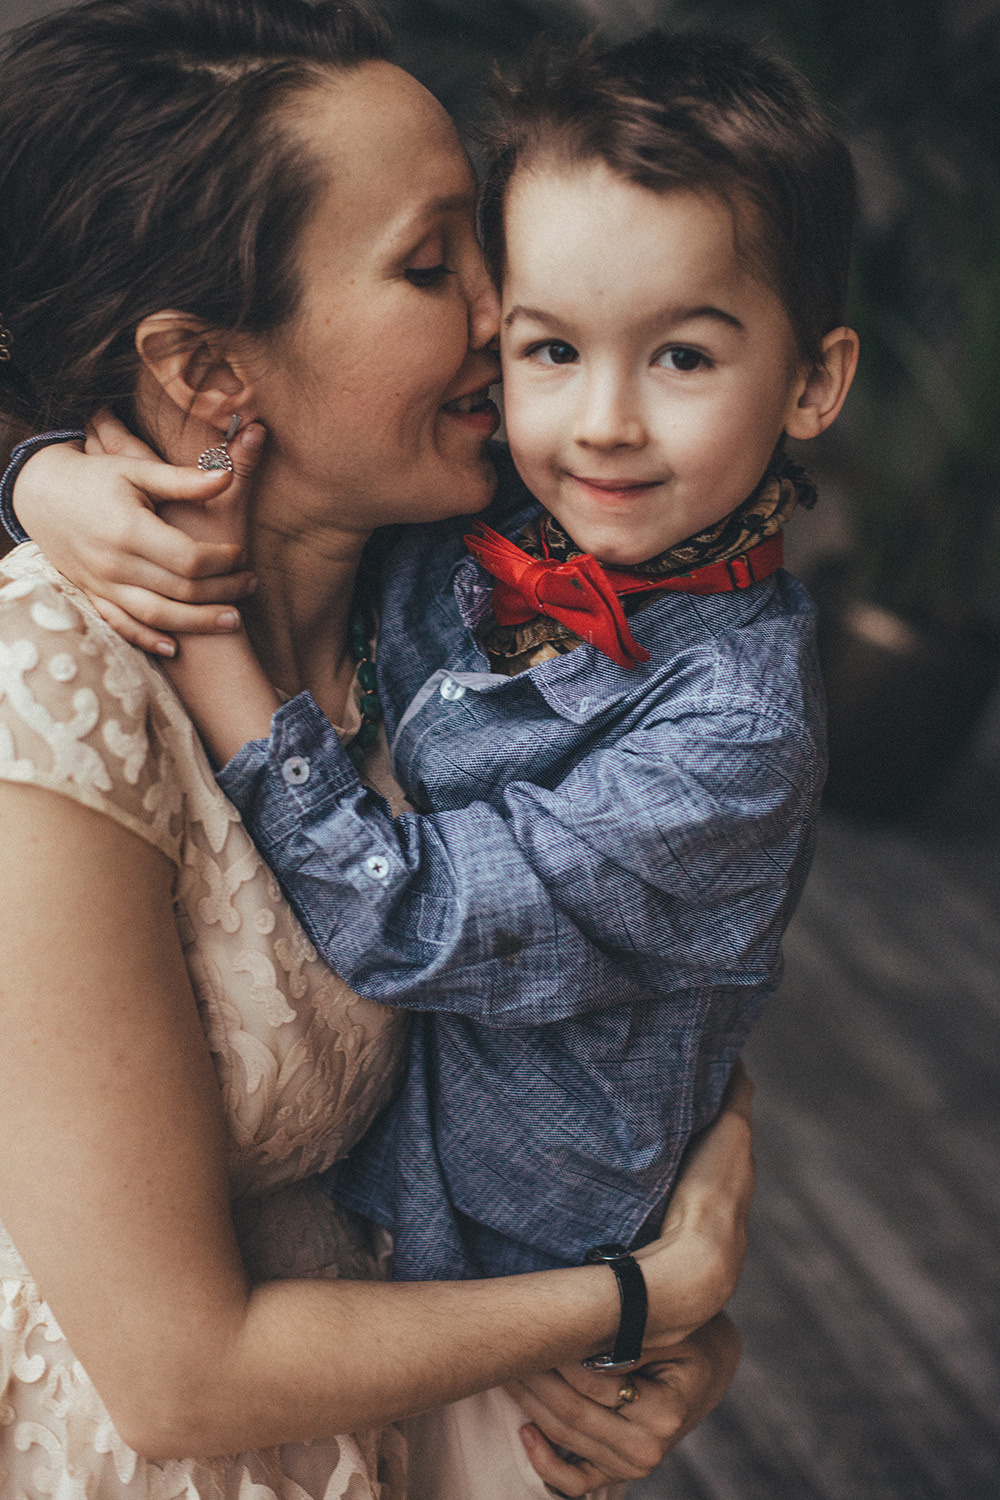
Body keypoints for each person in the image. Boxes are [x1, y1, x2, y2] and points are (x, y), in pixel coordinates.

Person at [0, 3, 754, 1499]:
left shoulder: (463, 613)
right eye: (431, 266)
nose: (506, 303)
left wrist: (698, 1235)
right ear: (210, 374)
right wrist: (644, 1294)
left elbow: (623, 978)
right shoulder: (52, 685)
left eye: (486, 239)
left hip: (392, 1407)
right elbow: (172, 1375)